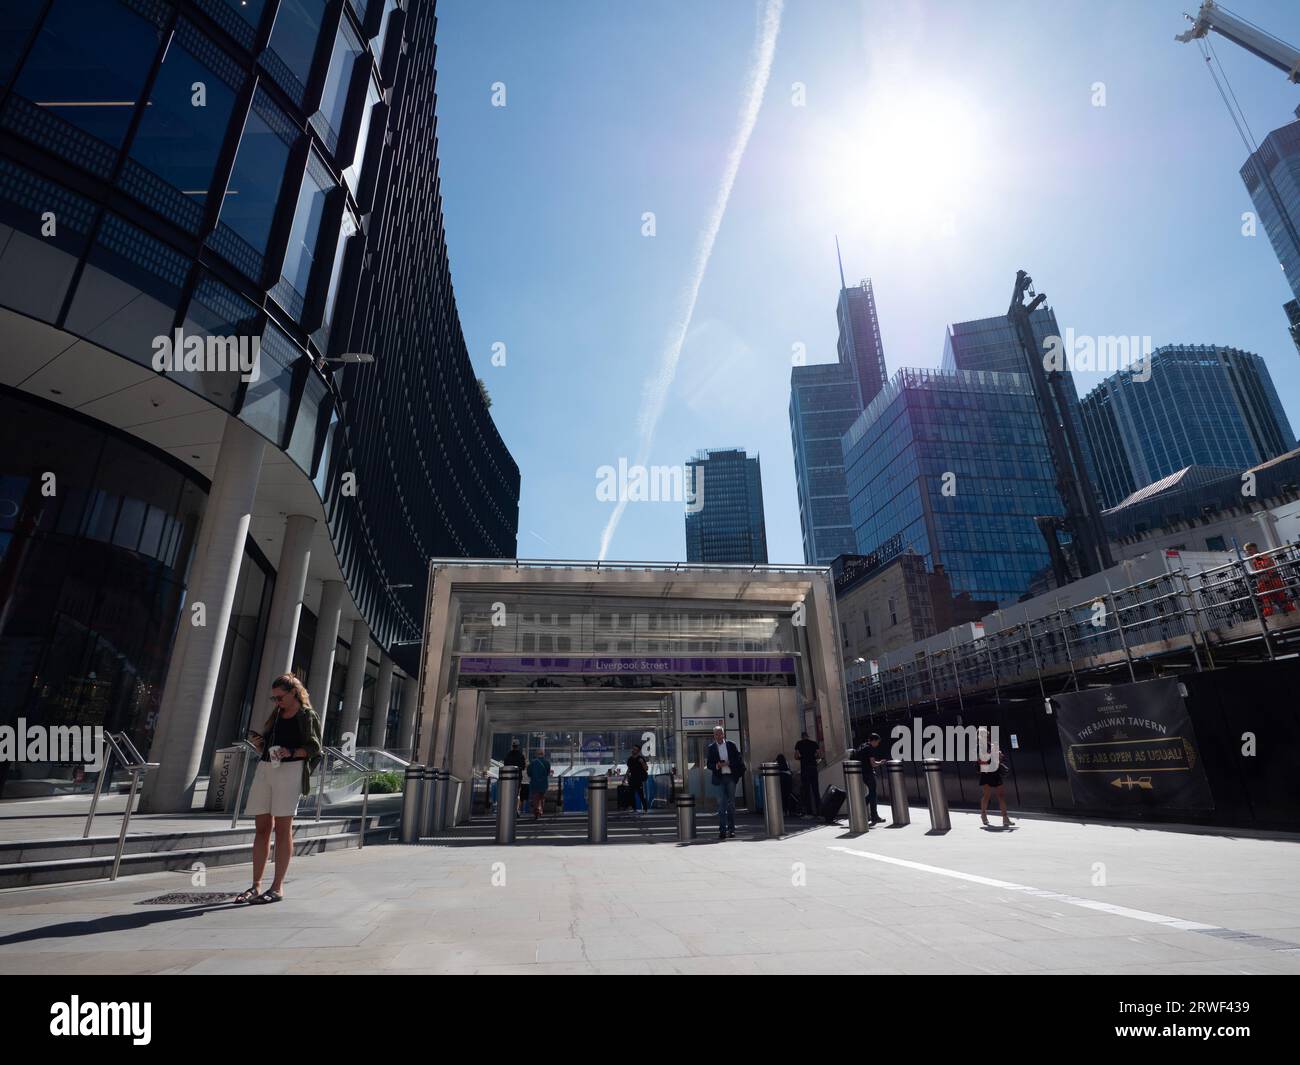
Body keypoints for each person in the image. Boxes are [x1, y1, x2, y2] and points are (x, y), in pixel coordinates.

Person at [235, 673, 322, 904]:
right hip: (266, 767)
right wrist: (259, 744)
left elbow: (315, 748)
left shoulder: (307, 716)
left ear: (294, 692)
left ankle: (277, 887)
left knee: (283, 828)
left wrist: (291, 752)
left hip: (291, 771)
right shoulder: (277, 714)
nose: (277, 702)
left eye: (280, 697)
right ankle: (255, 885)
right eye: (274, 698)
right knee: (262, 827)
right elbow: (268, 745)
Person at [705, 725, 745, 839]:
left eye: (720, 733)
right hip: (720, 778)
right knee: (721, 806)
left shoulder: (731, 745)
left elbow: (738, 759)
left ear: (724, 734)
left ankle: (731, 830)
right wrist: (717, 765)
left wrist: (728, 763)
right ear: (714, 735)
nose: (718, 736)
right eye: (716, 734)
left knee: (731, 805)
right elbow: (709, 764)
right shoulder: (711, 747)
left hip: (731, 777)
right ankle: (722, 830)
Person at [1244, 541, 1295, 617]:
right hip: (1270, 582)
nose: (1248, 552)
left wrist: (1256, 572)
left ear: (1255, 548)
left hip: (1271, 582)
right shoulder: (1257, 558)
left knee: (1275, 600)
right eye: (1247, 551)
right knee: (1278, 601)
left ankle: (1269, 618)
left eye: (1250, 549)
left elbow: (1264, 565)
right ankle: (1290, 614)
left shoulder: (1259, 557)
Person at [977, 726, 1013, 829]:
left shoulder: (991, 744)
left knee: (1001, 795)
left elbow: (998, 757)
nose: (985, 735)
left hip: (995, 771)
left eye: (986, 734)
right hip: (986, 772)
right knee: (987, 795)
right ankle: (983, 814)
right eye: (982, 734)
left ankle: (1005, 818)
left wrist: (999, 755)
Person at [857, 733, 886, 824]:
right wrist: (880, 762)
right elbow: (873, 764)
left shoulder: (862, 747)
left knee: (871, 793)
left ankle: (861, 806)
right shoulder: (869, 749)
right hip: (869, 773)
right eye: (877, 742)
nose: (877, 744)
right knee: (873, 794)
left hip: (862, 773)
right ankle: (874, 816)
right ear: (873, 741)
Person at [794, 730, 821, 818]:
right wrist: (813, 757)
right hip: (813, 768)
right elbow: (819, 755)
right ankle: (819, 811)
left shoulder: (799, 744)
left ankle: (809, 812)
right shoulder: (814, 743)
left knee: (806, 790)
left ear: (802, 737)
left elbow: (796, 756)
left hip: (804, 769)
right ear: (808, 736)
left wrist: (802, 758)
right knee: (815, 790)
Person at [503, 740, 528, 814]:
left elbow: (505, 764)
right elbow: (523, 767)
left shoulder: (508, 755)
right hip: (517, 777)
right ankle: (516, 810)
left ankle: (508, 809)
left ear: (512, 746)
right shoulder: (521, 755)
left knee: (509, 793)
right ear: (518, 746)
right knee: (517, 794)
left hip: (508, 777)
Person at [626, 743, 650, 816]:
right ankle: (634, 809)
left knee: (641, 794)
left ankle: (645, 809)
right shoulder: (630, 759)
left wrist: (642, 762)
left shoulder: (641, 759)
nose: (633, 751)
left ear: (638, 751)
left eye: (635, 750)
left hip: (639, 779)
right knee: (631, 794)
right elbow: (629, 769)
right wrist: (625, 778)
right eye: (633, 749)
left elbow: (646, 768)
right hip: (632, 778)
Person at [527, 748, 551, 820]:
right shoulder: (547, 762)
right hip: (543, 783)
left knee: (535, 798)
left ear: (536, 755)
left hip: (535, 783)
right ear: (543, 754)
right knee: (542, 797)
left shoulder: (532, 763)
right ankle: (540, 810)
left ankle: (536, 811)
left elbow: (529, 773)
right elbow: (548, 773)